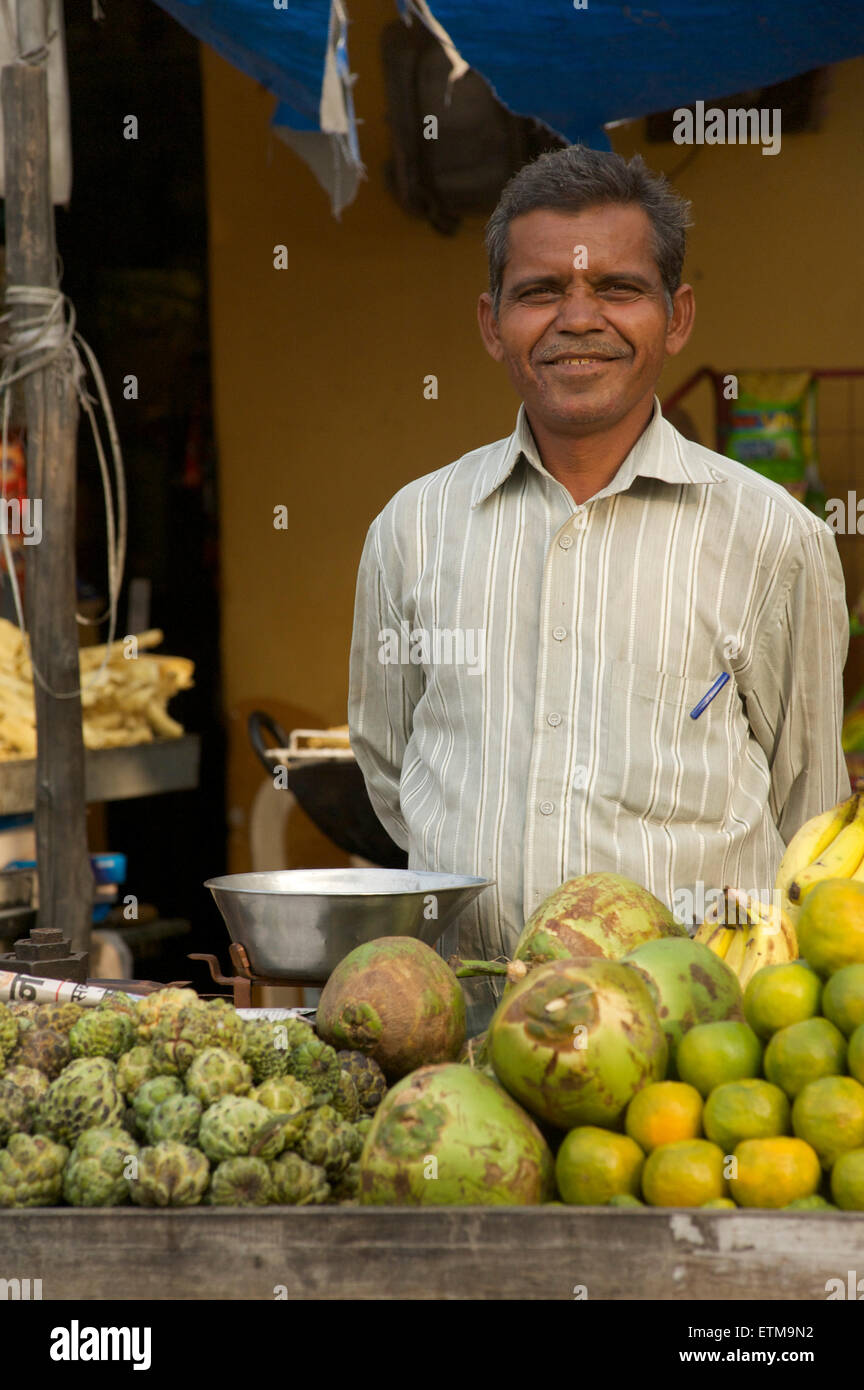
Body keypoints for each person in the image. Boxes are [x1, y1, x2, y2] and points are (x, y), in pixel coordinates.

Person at [348, 145, 850, 1033]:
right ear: (491, 321)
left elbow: (805, 806)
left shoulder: (776, 539)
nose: (578, 319)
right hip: (463, 1045)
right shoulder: (412, 529)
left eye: (618, 289)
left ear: (677, 315)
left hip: (694, 1053)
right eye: (540, 292)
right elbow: (394, 776)